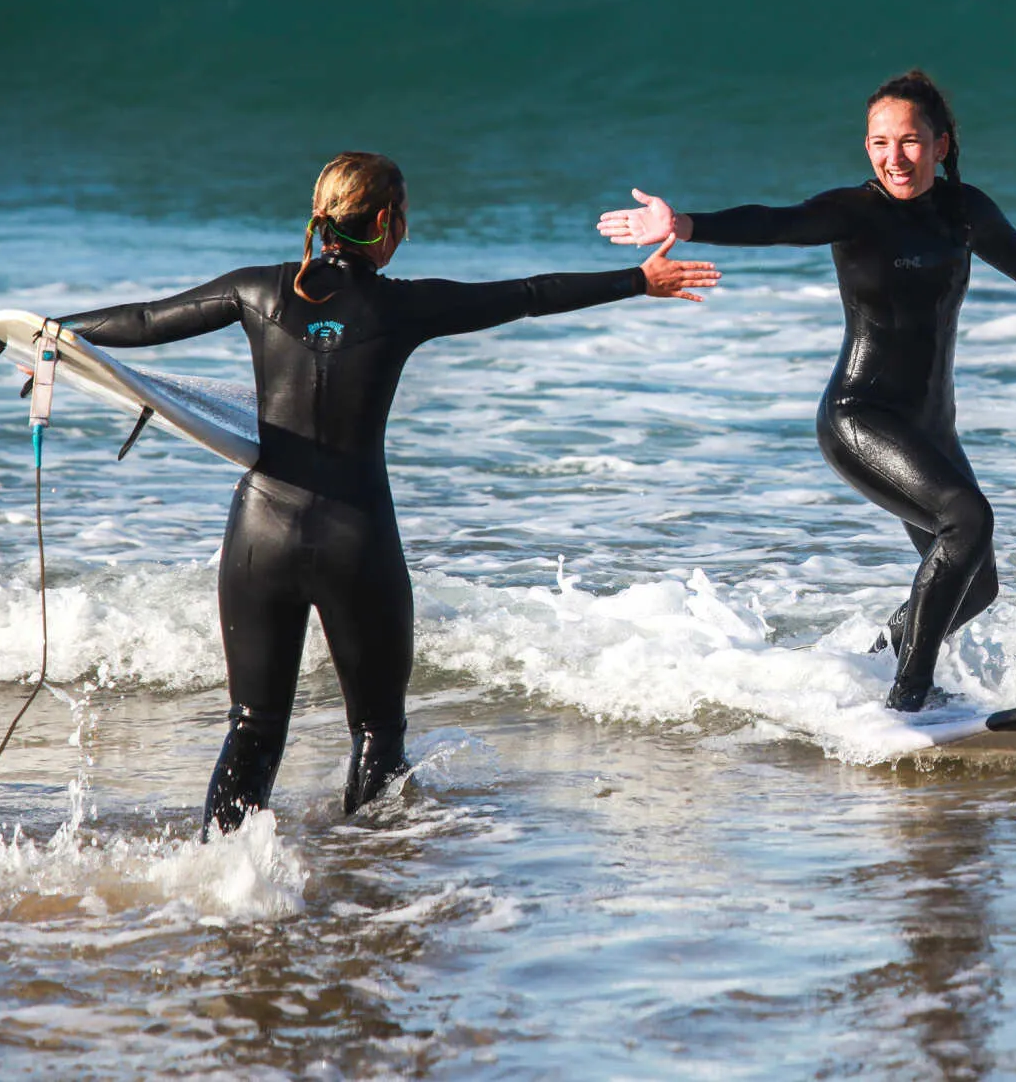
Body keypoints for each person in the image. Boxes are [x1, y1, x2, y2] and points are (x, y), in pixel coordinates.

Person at [61, 152, 720, 835]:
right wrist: (637, 281)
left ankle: (218, 875)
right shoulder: (403, 305)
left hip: (260, 536)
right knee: (377, 730)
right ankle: (369, 879)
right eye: (403, 217)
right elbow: (527, 293)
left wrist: (46, 334)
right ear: (383, 221)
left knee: (253, 726)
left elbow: (145, 319)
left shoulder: (257, 290)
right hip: (355, 538)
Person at [596, 71, 1016, 713]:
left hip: (930, 425)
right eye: (880, 143)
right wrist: (686, 223)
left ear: (941, 146)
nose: (895, 157)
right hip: (860, 417)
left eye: (911, 141)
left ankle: (878, 660)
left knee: (977, 586)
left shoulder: (964, 211)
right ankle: (908, 699)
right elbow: (777, 222)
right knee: (967, 520)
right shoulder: (854, 212)